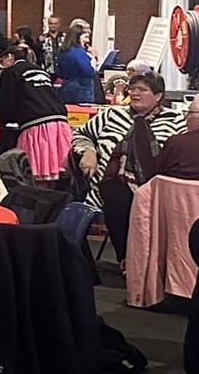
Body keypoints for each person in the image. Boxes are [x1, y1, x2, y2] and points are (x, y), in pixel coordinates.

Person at [73, 70, 184, 258]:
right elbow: (81, 134)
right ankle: (127, 258)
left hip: (155, 189)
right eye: (132, 89)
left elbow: (181, 154)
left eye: (142, 89)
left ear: (158, 96)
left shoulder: (175, 120)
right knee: (112, 191)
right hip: (110, 186)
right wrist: (88, 151)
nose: (134, 93)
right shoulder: (112, 115)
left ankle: (142, 259)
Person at [0, 42, 72, 178]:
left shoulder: (10, 72)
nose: (1, 65)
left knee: (34, 174)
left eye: (2, 60)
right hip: (61, 125)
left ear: (10, 57)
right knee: (59, 173)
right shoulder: (40, 70)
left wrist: (3, 120)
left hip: (36, 127)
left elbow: (8, 102)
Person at [158, 93, 199, 180]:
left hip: (177, 193)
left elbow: (157, 176)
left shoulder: (176, 143)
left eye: (189, 113)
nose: (185, 117)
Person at [55, 26, 98, 104]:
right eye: (86, 37)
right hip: (82, 91)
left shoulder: (63, 51)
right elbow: (89, 72)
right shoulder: (79, 53)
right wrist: (93, 61)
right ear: (78, 37)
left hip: (66, 87)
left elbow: (59, 72)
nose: (88, 40)